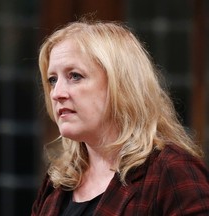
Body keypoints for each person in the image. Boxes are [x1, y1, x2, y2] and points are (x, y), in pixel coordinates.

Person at [31, 19, 209, 216]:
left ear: (121, 85)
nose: (56, 93)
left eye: (75, 76)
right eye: (53, 80)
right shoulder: (58, 181)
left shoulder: (171, 171)